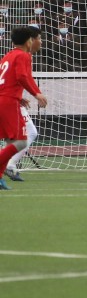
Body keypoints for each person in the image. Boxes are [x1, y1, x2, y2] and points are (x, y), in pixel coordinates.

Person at [0, 27, 48, 191]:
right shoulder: (23, 55)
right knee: (21, 142)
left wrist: (18, 97)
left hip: (5, 99)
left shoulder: (8, 56)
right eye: (38, 38)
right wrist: (37, 93)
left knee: (11, 142)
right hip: (8, 102)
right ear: (29, 40)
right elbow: (22, 76)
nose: (40, 41)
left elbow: (8, 80)